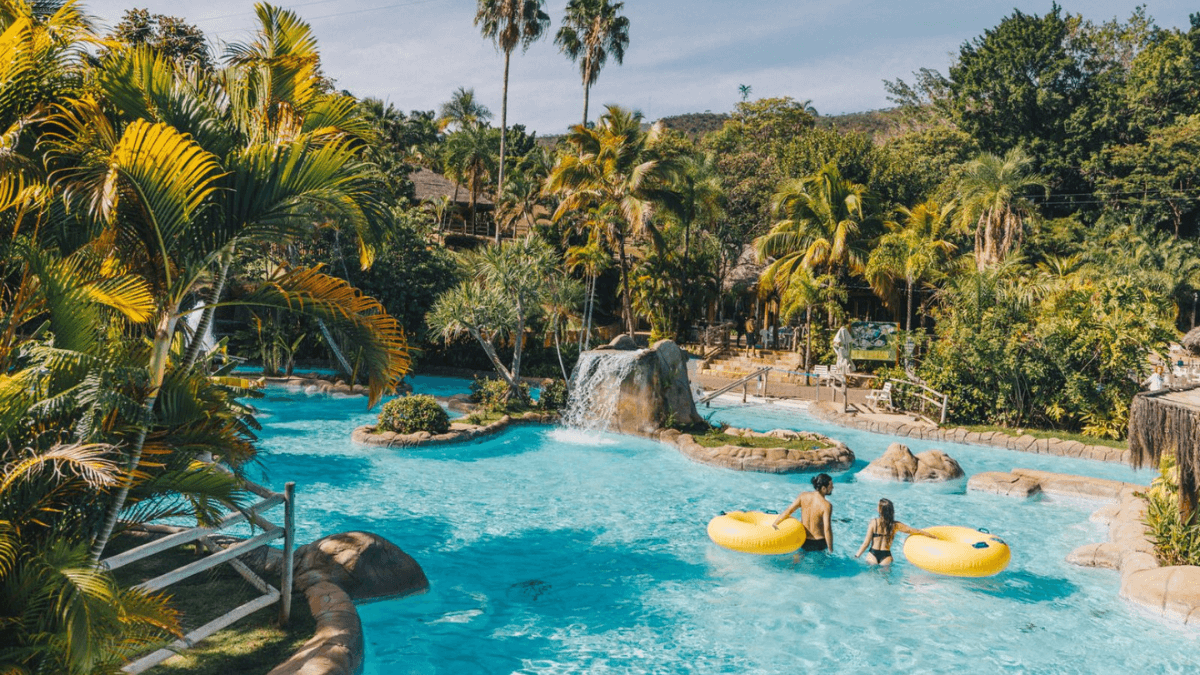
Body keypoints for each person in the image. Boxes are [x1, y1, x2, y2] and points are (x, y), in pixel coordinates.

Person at [853, 498, 936, 565]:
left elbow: (866, 543)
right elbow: (914, 531)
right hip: (886, 556)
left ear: (880, 510)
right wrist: (931, 536)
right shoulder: (895, 525)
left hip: (872, 555)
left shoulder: (873, 522)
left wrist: (856, 556)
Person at [772, 473, 834, 552]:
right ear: (823, 488)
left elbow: (789, 510)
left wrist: (776, 522)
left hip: (803, 540)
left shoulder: (803, 496)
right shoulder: (826, 505)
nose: (832, 487)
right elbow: (827, 529)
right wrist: (830, 548)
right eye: (830, 485)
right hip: (819, 542)